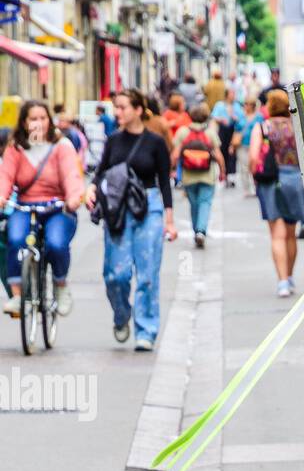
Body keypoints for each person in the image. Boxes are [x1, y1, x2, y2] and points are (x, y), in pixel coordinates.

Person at [87, 87, 177, 351]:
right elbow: (101, 171)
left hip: (149, 206)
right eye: (116, 107)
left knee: (147, 274)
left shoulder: (156, 143)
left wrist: (169, 221)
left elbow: (165, 182)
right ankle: (121, 314)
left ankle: (146, 330)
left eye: (123, 107)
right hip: (118, 208)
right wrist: (92, 188)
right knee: (116, 275)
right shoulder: (113, 140)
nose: (118, 112)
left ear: (138, 110)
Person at [0, 99, 85, 319]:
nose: (38, 123)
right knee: (15, 238)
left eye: (42, 118)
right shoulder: (15, 147)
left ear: (49, 120)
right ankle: (18, 296)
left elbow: (70, 174)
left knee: (56, 244)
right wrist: (1, 196)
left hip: (56, 206)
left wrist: (74, 196)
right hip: (25, 205)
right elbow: (5, 176)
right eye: (33, 119)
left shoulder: (61, 145)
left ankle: (61, 285)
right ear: (24, 122)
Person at [249, 87, 304, 298]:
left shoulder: (263, 127)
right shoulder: (296, 127)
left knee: (277, 235)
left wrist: (255, 175)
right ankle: (289, 276)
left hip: (271, 181)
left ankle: (281, 281)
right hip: (294, 181)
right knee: (291, 234)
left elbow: (254, 157)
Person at [172, 102, 225, 248]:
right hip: (207, 175)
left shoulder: (183, 132)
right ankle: (201, 231)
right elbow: (219, 155)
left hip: (188, 176)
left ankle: (197, 229)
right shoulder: (210, 132)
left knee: (194, 204)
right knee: (205, 203)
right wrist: (222, 172)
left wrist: (171, 170)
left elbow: (176, 154)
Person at [211, 86, 245, 187]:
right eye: (231, 93)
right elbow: (214, 116)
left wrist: (235, 117)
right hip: (222, 131)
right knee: (223, 152)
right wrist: (221, 119)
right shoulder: (220, 105)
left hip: (233, 131)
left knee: (232, 153)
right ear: (227, 95)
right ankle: (224, 174)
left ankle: (232, 176)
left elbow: (242, 117)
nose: (233, 96)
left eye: (234, 94)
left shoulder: (237, 106)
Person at [237, 98, 260, 196]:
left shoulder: (259, 117)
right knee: (244, 167)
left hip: (255, 145)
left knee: (254, 165)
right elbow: (237, 130)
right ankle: (246, 189)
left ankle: (255, 187)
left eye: (247, 104)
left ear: (252, 106)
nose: (245, 107)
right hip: (242, 145)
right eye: (245, 104)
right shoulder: (241, 117)